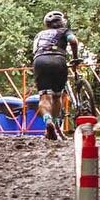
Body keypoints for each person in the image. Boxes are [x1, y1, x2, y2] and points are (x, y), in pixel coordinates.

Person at [31, 10, 80, 139]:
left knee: (45, 97)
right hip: (58, 60)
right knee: (57, 96)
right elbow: (73, 41)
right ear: (62, 22)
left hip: (40, 60)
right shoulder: (64, 31)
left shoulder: (39, 35)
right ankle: (56, 124)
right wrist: (75, 59)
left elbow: (35, 51)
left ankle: (48, 121)